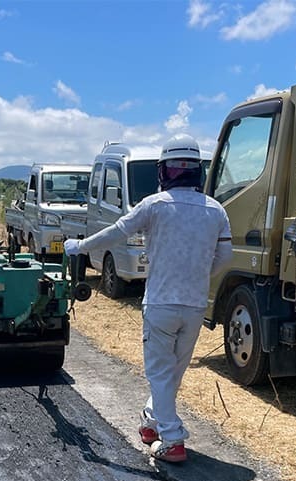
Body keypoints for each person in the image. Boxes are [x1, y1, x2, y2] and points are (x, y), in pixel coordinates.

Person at [64, 133, 233, 463]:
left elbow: (117, 232)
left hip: (160, 303)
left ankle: (172, 439)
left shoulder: (154, 205)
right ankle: (151, 422)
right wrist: (199, 277)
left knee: (159, 372)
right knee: (173, 372)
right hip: (195, 304)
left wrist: (81, 247)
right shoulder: (216, 210)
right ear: (197, 170)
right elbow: (225, 258)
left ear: (164, 170)